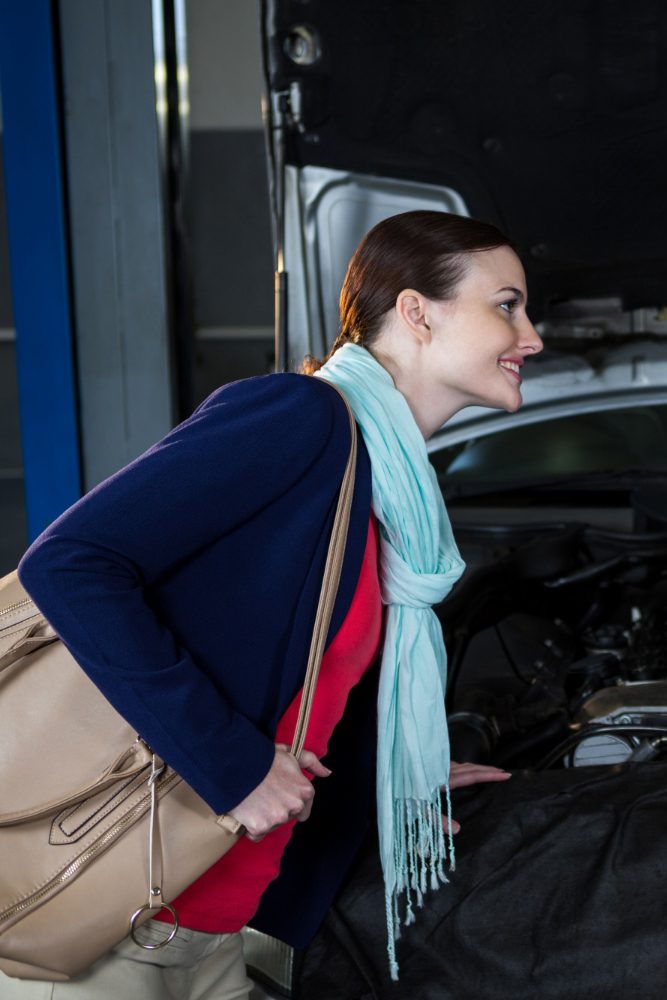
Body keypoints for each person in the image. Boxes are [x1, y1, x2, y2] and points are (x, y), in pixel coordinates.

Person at [0, 209, 542, 998]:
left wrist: (397, 766)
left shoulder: (386, 489)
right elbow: (71, 563)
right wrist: (237, 764)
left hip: (215, 934)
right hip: (107, 932)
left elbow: (305, 683)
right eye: (507, 305)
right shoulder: (301, 419)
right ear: (416, 311)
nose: (530, 336)